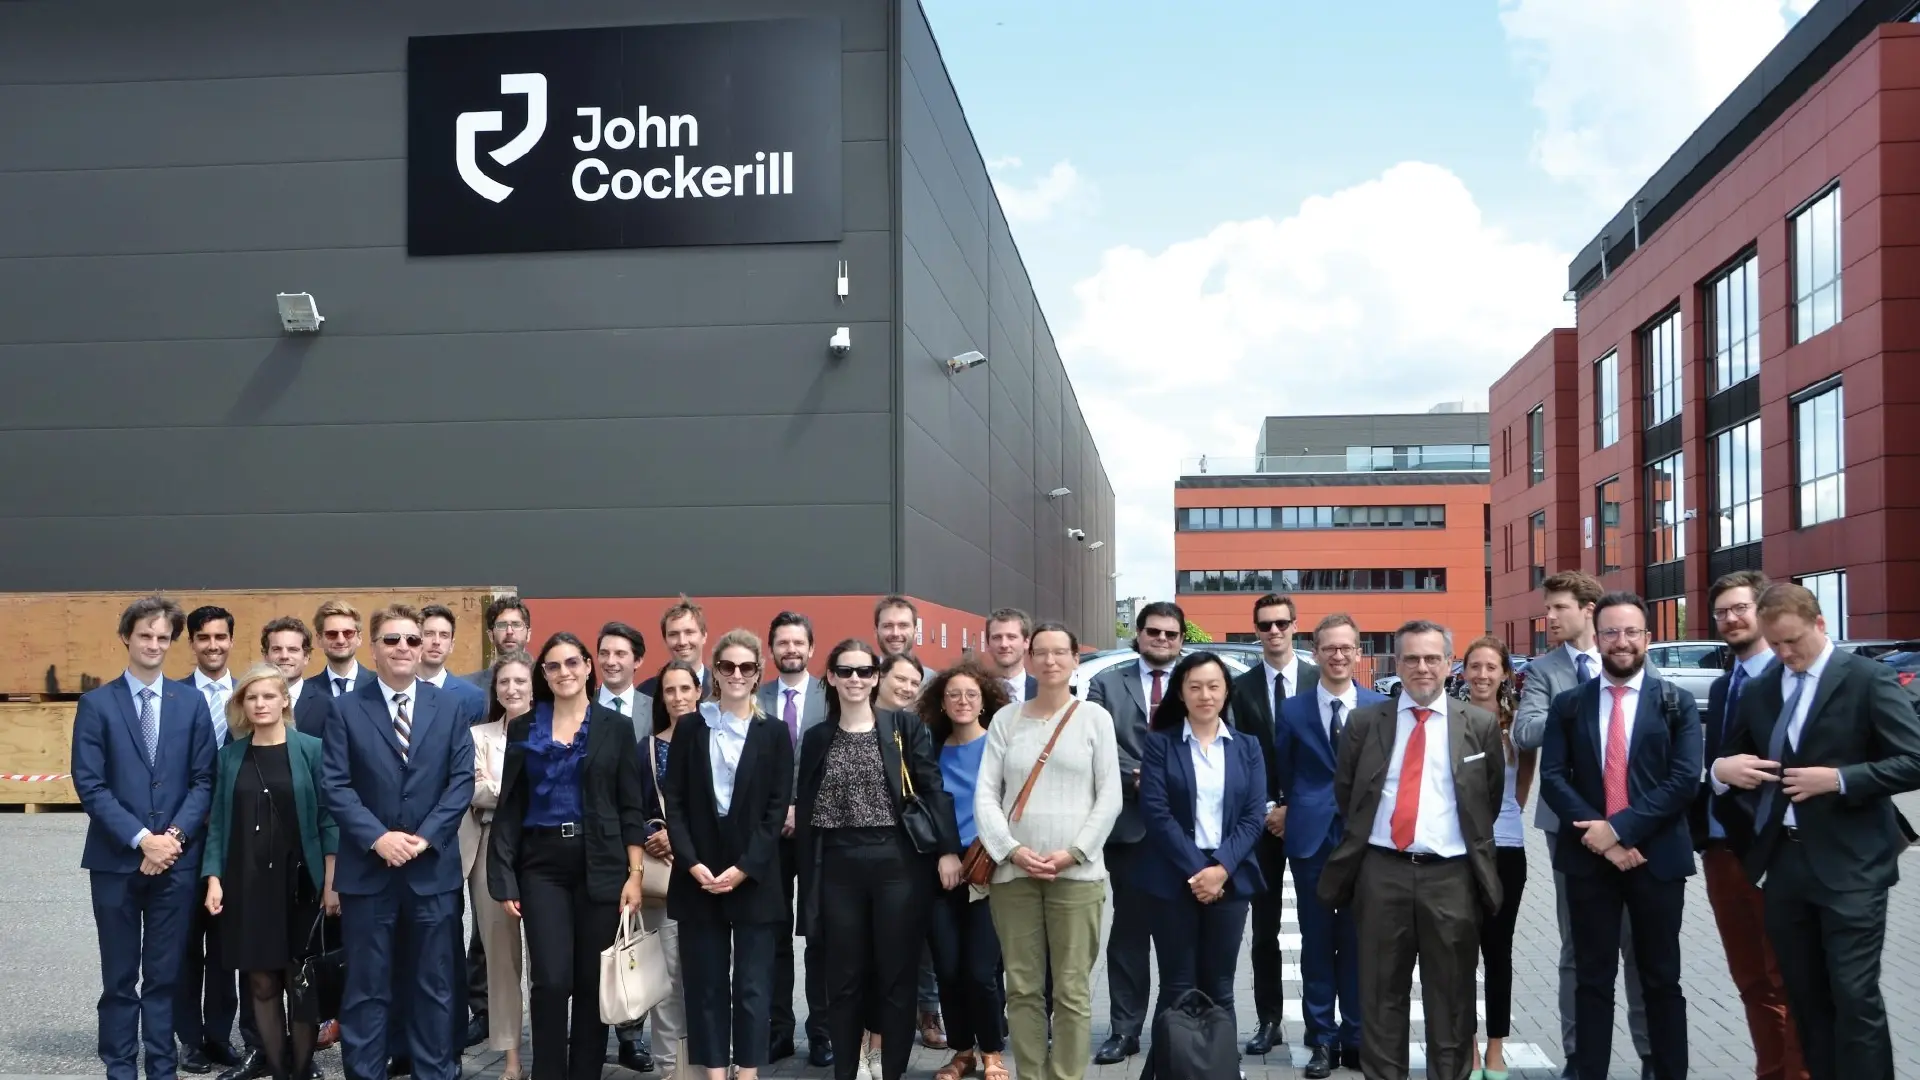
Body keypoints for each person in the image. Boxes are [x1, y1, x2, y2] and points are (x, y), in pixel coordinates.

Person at [1710, 583, 1920, 1080]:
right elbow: (1731, 757)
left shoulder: (1866, 678)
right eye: (1776, 645)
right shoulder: (1763, 688)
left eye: (1794, 642)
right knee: (1804, 998)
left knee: (1853, 995)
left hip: (1851, 866)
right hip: (1785, 866)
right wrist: (1721, 769)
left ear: (1821, 625)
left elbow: (1913, 760)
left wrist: (1842, 779)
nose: (1785, 654)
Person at [1319, 620, 1503, 1080]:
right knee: (1380, 998)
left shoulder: (1478, 724)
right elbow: (1349, 795)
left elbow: (1488, 800)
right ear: (1396, 664)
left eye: (1432, 658)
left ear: (1448, 663)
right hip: (1382, 873)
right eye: (1411, 659)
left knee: (1453, 1000)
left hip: (1452, 877)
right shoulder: (1364, 722)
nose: (1422, 668)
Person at [1539, 593, 1698, 1080]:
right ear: (1597, 637)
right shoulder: (1570, 704)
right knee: (1592, 979)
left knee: (1661, 980)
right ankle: (1588, 1071)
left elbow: (1684, 779)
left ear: (1648, 638)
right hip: (1589, 860)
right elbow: (1553, 776)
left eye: (1632, 632)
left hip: (1656, 860)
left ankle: (1667, 1072)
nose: (1621, 642)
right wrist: (1601, 835)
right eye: (1611, 632)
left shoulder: (1676, 702)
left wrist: (1621, 830)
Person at [321, 604, 479, 1080]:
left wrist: (426, 838)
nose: (404, 648)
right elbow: (335, 785)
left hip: (431, 873)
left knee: (433, 986)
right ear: (374, 648)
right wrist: (378, 839)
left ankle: (435, 1072)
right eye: (392, 640)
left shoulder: (450, 706)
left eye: (412, 639)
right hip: (369, 874)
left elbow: (460, 783)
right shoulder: (345, 708)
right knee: (368, 988)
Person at [795, 640, 962, 1080]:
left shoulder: (904, 727)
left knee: (895, 973)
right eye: (845, 671)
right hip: (837, 863)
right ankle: (847, 1072)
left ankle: (891, 1073)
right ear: (830, 676)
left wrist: (947, 849)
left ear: (876, 677)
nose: (855, 680)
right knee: (844, 978)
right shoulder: (816, 738)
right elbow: (806, 809)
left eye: (864, 672)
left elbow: (933, 789)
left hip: (896, 862)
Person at [1510, 571, 1654, 1080]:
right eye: (1548, 609)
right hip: (1570, 822)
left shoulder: (1631, 656)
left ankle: (1653, 1060)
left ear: (1589, 609)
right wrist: (1579, 710)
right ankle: (1580, 1060)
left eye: (1559, 608)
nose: (1548, 617)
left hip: (1637, 824)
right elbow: (1524, 732)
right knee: (1580, 947)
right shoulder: (1543, 670)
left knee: (1642, 948)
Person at [487, 632, 649, 1080]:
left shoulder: (615, 727)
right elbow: (510, 808)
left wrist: (635, 875)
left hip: (600, 861)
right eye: (554, 666)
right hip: (541, 865)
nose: (565, 672)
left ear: (587, 667)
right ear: (544, 674)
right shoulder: (523, 727)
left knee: (591, 982)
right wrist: (503, 877)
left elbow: (630, 806)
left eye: (573, 663)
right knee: (551, 981)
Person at [72, 596, 218, 1080]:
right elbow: (90, 784)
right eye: (145, 636)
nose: (154, 645)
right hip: (116, 863)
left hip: (175, 863)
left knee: (163, 976)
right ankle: (120, 1067)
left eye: (163, 638)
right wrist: (141, 840)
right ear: (126, 638)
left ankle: (161, 1068)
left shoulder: (191, 702)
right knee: (119, 978)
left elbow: (203, 780)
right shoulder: (96, 704)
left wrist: (170, 838)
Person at [975, 622, 1122, 1080]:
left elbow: (1110, 795)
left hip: (1076, 877)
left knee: (1073, 992)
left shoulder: (1096, 719)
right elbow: (985, 796)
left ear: (1076, 659)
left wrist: (1074, 852)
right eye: (1042, 652)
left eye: (1061, 652)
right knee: (1021, 989)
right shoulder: (1006, 720)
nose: (1051, 660)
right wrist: (1012, 851)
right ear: (1029, 658)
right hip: (1014, 876)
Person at [662, 629, 793, 1080]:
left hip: (753, 876)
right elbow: (673, 800)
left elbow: (777, 810)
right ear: (714, 671)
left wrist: (744, 868)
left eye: (747, 667)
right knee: (706, 984)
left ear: (759, 674)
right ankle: (716, 1071)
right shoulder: (691, 727)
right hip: (697, 873)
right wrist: (691, 861)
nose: (737, 674)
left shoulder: (774, 732)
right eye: (727, 666)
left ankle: (749, 1070)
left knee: (754, 986)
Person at [1691, 571, 1807, 1080]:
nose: (1731, 619)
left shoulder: (1791, 681)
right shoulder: (1721, 687)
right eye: (1722, 612)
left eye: (1740, 608)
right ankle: (1770, 1071)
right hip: (1720, 852)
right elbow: (1718, 763)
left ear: (1763, 611)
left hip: (1777, 852)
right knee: (1751, 981)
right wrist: (1715, 772)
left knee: (1790, 979)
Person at [202, 664, 340, 1080]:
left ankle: (300, 1069)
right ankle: (278, 1070)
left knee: (300, 984)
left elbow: (329, 818)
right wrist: (213, 878)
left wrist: (331, 879)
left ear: (285, 701)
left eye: (268, 696)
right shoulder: (229, 757)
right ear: (242, 705)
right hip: (246, 884)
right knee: (260, 982)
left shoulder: (311, 749)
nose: (260, 704)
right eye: (252, 697)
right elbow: (219, 824)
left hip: (300, 884)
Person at [1134, 652, 1267, 1035]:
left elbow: (1253, 815)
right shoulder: (1161, 744)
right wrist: (1199, 871)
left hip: (1231, 877)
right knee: (1177, 985)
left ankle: (1220, 1066)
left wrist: (1220, 869)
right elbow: (1157, 814)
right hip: (1173, 874)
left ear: (1226, 692)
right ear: (1181, 692)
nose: (1204, 695)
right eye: (1194, 687)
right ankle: (1172, 1065)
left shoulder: (1247, 747)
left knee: (1220, 986)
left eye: (1213, 686)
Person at [1273, 614, 1380, 1078]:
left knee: (1358, 942)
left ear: (1359, 653)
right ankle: (1320, 1039)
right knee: (1315, 942)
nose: (1338, 656)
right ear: (1314, 653)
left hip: (1363, 840)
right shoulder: (1293, 710)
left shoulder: (1379, 707)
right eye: (1329, 648)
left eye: (1347, 648)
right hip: (1312, 838)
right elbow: (1284, 770)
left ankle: (1355, 1038)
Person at [1085, 602, 1184, 1065]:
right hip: (1128, 825)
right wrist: (1137, 775)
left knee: (1180, 935)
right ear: (1138, 635)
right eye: (1153, 633)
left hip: (1185, 827)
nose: (1161, 640)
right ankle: (1124, 1030)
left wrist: (1166, 776)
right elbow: (1096, 746)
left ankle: (1176, 1027)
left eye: (1170, 634)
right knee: (1128, 932)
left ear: (1181, 638)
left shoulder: (1198, 679)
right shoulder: (1107, 682)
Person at [1229, 592, 1319, 1058]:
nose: (1274, 632)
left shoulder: (1319, 680)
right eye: (1265, 625)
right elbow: (1239, 757)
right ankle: (1269, 1021)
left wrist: (1295, 807)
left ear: (1295, 625)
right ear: (1256, 630)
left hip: (1311, 820)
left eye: (1282, 623)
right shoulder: (1239, 689)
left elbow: (1327, 755)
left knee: (1317, 924)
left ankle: (1320, 1021)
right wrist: (1266, 808)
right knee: (1263, 930)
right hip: (1259, 824)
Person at [918, 658, 1013, 1080]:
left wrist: (987, 852)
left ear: (984, 702)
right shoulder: (931, 749)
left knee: (981, 971)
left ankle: (992, 1050)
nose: (961, 701)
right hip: (940, 871)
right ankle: (962, 1052)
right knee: (949, 969)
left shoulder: (999, 745)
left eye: (970, 695)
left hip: (988, 870)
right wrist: (944, 853)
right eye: (952, 694)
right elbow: (924, 809)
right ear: (941, 702)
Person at [177, 605, 256, 1077]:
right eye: (203, 638)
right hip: (186, 840)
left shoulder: (246, 698)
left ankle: (219, 1035)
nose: (213, 645)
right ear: (192, 643)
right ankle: (189, 1040)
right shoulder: (175, 696)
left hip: (235, 842)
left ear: (231, 640)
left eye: (220, 637)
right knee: (187, 946)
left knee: (228, 947)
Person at [759, 612, 832, 1067]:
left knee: (821, 933)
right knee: (773, 935)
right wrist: (777, 812)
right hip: (767, 835)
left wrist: (801, 809)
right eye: (781, 642)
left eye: (797, 642)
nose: (790, 649)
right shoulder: (755, 696)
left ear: (811, 648)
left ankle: (822, 1032)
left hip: (822, 831)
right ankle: (778, 1029)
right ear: (771, 650)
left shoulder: (833, 695)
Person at [1460, 637, 1534, 1080]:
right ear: (1464, 672)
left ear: (1505, 672)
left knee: (1498, 951)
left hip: (1507, 848)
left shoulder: (1518, 724)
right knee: (1462, 953)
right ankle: (1467, 1047)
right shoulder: (1452, 719)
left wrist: (1505, 817)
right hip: (1460, 851)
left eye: (1491, 667)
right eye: (1475, 667)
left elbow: (1524, 779)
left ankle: (1495, 1049)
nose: (1483, 675)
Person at [461, 652, 532, 1080]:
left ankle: (546, 1045)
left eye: (520, 681)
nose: (512, 689)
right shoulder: (477, 735)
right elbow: (474, 790)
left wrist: (497, 783)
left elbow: (544, 789)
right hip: (489, 846)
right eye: (504, 682)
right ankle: (509, 1058)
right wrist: (516, 788)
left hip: (542, 851)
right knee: (500, 960)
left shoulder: (552, 731)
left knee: (547, 959)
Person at [594, 621, 658, 1074]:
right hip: (595, 837)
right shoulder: (579, 706)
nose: (611, 661)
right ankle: (596, 1026)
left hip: (644, 835)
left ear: (638, 660)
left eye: (621, 653)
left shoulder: (656, 709)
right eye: (605, 653)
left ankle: (632, 1036)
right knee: (598, 932)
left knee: (632, 933)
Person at [638, 660, 704, 1080]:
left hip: (706, 875)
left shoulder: (719, 741)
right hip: (660, 879)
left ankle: (704, 1064)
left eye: (685, 688)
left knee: (705, 979)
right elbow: (634, 808)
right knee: (664, 984)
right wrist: (653, 830)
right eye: (669, 690)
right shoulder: (646, 747)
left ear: (699, 691)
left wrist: (684, 844)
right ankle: (669, 1070)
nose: (678, 698)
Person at [260, 617, 336, 743]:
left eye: (293, 650)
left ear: (306, 657)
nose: (284, 656)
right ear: (266, 656)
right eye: (277, 649)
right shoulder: (250, 702)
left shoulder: (328, 705)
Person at [638, 597, 712, 701]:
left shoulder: (722, 689)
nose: (682, 642)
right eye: (673, 634)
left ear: (704, 636)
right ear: (665, 640)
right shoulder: (646, 692)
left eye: (689, 632)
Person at [418, 604, 487, 714]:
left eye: (444, 635)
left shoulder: (472, 697)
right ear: (417, 640)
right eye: (429, 634)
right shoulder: (397, 689)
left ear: (451, 645)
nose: (436, 641)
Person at [460, 596, 533, 686]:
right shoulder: (467, 686)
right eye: (502, 625)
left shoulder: (546, 683)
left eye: (516, 625)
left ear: (528, 634)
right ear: (491, 636)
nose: (509, 632)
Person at [313, 600, 376, 699]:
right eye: (332, 634)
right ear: (319, 639)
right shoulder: (306, 691)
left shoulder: (380, 685)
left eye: (348, 633)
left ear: (359, 638)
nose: (341, 640)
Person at [984, 609, 1038, 703]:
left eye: (1011, 637)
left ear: (1026, 642)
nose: (1004, 644)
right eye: (997, 637)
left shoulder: (1044, 692)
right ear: (988, 644)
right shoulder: (977, 691)